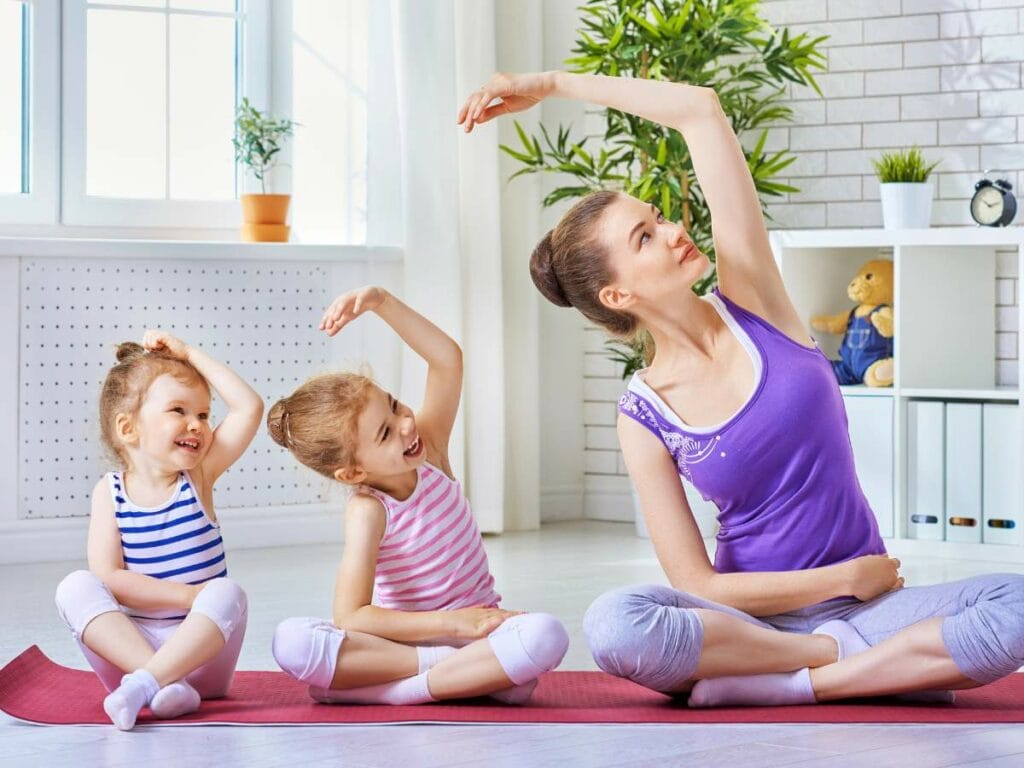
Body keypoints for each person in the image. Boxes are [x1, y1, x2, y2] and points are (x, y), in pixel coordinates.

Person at [459, 71, 1024, 706]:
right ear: (619, 296)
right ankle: (848, 668)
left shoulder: (754, 302)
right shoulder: (644, 413)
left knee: (1017, 605)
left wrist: (553, 83)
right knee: (617, 623)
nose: (674, 230)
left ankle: (793, 685)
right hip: (754, 626)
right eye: (645, 237)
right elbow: (695, 583)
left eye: (659, 217)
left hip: (866, 610)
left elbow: (701, 109)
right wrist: (839, 579)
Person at [268, 287, 568, 705]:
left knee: (546, 635)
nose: (405, 425)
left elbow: (447, 359)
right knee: (292, 642)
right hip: (412, 646)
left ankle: (393, 692)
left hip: (478, 635)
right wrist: (454, 625)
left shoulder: (431, 451)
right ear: (354, 471)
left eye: (394, 406)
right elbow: (352, 615)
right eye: (386, 433)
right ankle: (443, 674)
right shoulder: (368, 511)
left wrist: (380, 303)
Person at [54, 332, 263, 729]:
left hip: (201, 656)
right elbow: (110, 578)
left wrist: (189, 354)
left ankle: (150, 684)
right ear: (129, 429)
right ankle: (161, 684)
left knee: (226, 593)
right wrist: (187, 595)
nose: (197, 425)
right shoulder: (108, 493)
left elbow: (249, 407)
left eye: (203, 414)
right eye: (179, 410)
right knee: (75, 586)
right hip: (129, 653)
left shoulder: (197, 476)